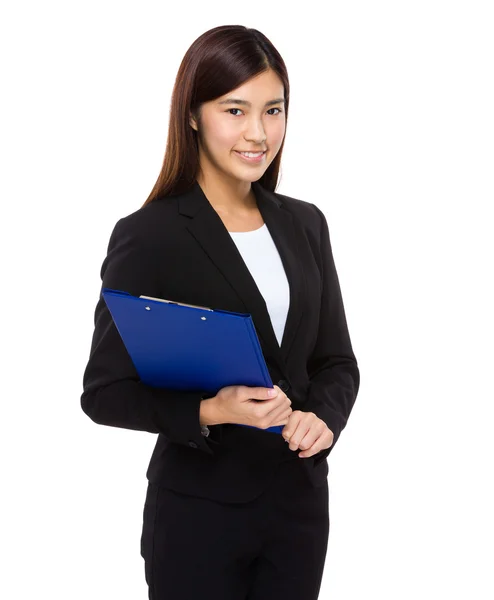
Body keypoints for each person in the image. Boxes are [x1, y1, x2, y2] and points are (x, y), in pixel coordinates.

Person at [80, 24, 360, 600]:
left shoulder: (306, 224)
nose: (259, 133)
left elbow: (336, 361)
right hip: (197, 518)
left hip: (298, 512)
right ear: (193, 114)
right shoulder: (149, 235)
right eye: (235, 110)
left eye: (273, 110)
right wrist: (213, 410)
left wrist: (323, 419)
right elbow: (104, 392)